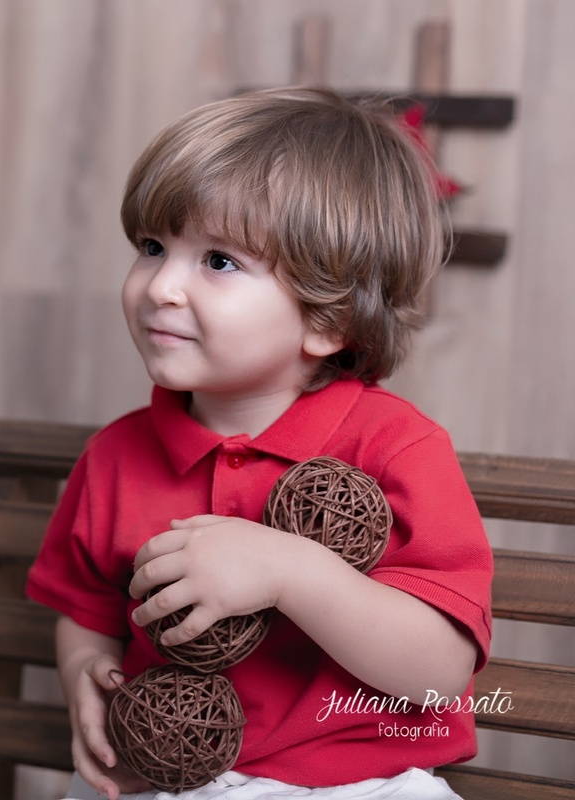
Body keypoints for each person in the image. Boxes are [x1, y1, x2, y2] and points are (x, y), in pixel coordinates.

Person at [25, 87, 494, 800]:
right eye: (153, 248)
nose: (162, 288)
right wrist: (84, 672)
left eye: (218, 262)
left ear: (329, 318)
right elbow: (86, 612)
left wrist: (292, 573)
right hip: (167, 777)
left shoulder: (395, 448)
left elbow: (439, 672)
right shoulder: (116, 458)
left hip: (360, 783)